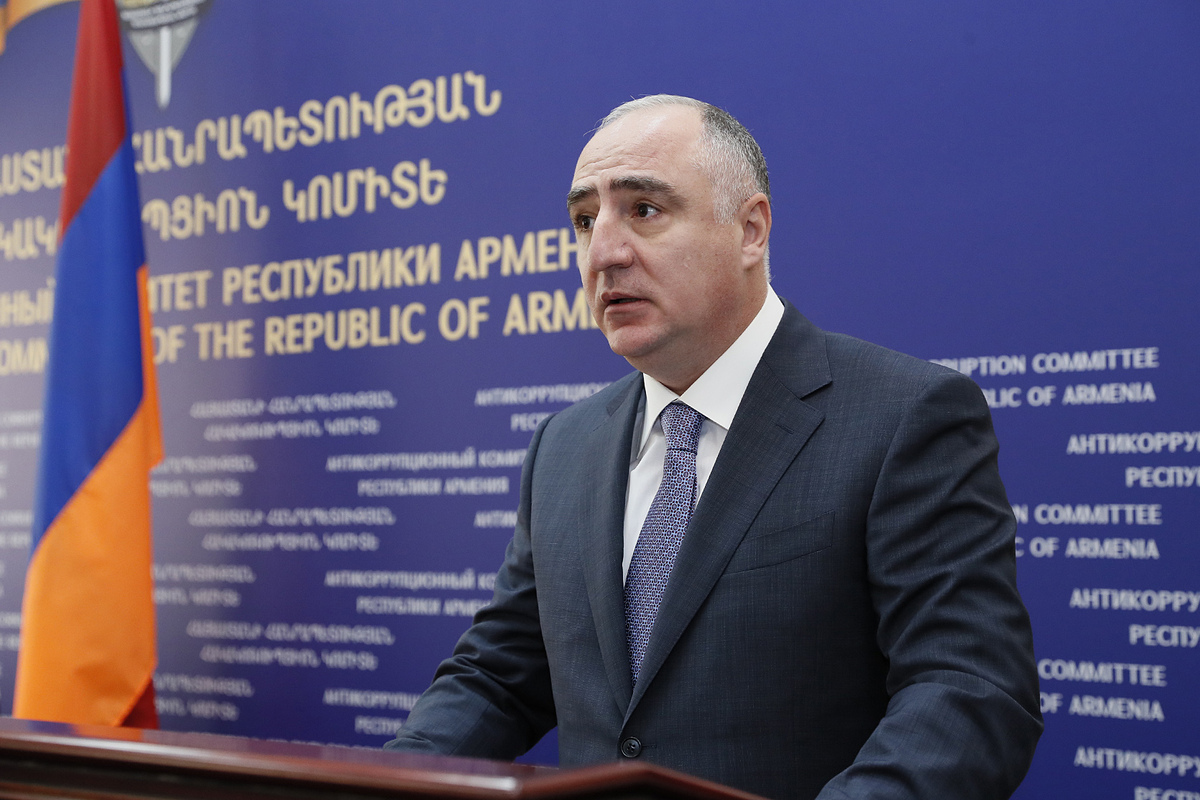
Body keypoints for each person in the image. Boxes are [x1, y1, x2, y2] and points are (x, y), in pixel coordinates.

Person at [386, 95, 1042, 800]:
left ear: (750, 229)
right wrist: (383, 784)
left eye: (643, 210)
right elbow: (498, 676)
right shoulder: (563, 447)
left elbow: (968, 690)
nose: (603, 253)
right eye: (585, 220)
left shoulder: (902, 415)